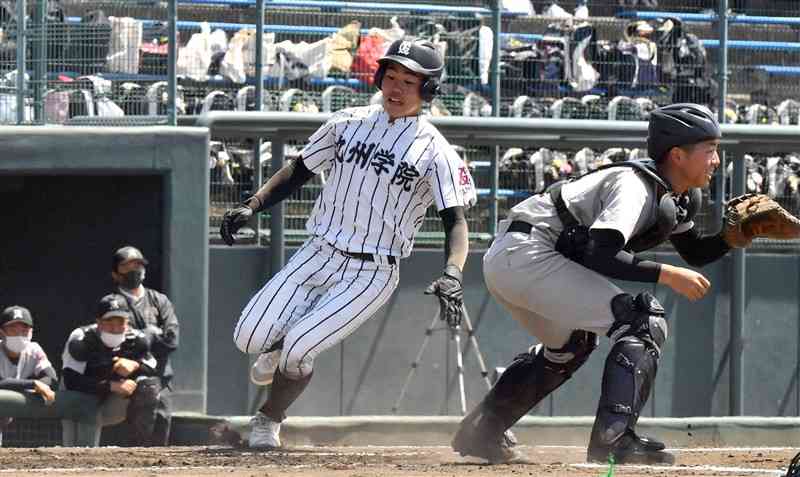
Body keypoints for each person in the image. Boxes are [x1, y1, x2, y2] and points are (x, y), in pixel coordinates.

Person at [220, 38, 477, 449]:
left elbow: (456, 221)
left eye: (408, 82)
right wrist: (253, 205)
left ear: (427, 90)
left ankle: (268, 420)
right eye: (390, 76)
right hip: (318, 251)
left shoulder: (437, 153)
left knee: (300, 350)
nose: (395, 88)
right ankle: (279, 346)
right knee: (247, 337)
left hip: (372, 270)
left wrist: (453, 271)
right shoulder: (347, 122)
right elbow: (298, 170)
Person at [451, 103, 730, 465]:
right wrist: (666, 274)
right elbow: (602, 254)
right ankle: (614, 440)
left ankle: (484, 430)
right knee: (643, 319)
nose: (717, 161)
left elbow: (694, 252)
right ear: (678, 155)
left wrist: (735, 237)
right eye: (710, 151)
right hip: (528, 253)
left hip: (513, 258)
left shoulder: (670, 194)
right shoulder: (635, 187)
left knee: (573, 343)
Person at [61, 294, 161, 447]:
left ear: (127, 323)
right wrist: (111, 385)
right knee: (76, 447)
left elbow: (153, 369)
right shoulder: (83, 338)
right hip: (82, 398)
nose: (115, 328)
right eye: (109, 322)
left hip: (113, 401)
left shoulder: (135, 340)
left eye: (120, 322)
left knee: (148, 386)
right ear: (98, 322)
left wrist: (135, 365)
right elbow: (71, 381)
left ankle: (140, 447)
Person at [0, 305, 98, 447]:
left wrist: (39, 385)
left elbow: (51, 378)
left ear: (31, 332)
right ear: (2, 332)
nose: (19, 334)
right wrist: (32, 384)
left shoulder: (33, 349)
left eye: (24, 330)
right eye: (13, 330)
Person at [111, 245, 179, 445]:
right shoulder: (113, 303)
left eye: (138, 265)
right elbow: (120, 343)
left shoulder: (159, 300)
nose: (135, 270)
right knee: (132, 441)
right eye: (128, 266)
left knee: (160, 434)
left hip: (162, 377)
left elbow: (172, 340)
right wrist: (152, 334)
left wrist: (144, 337)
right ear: (116, 274)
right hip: (129, 382)